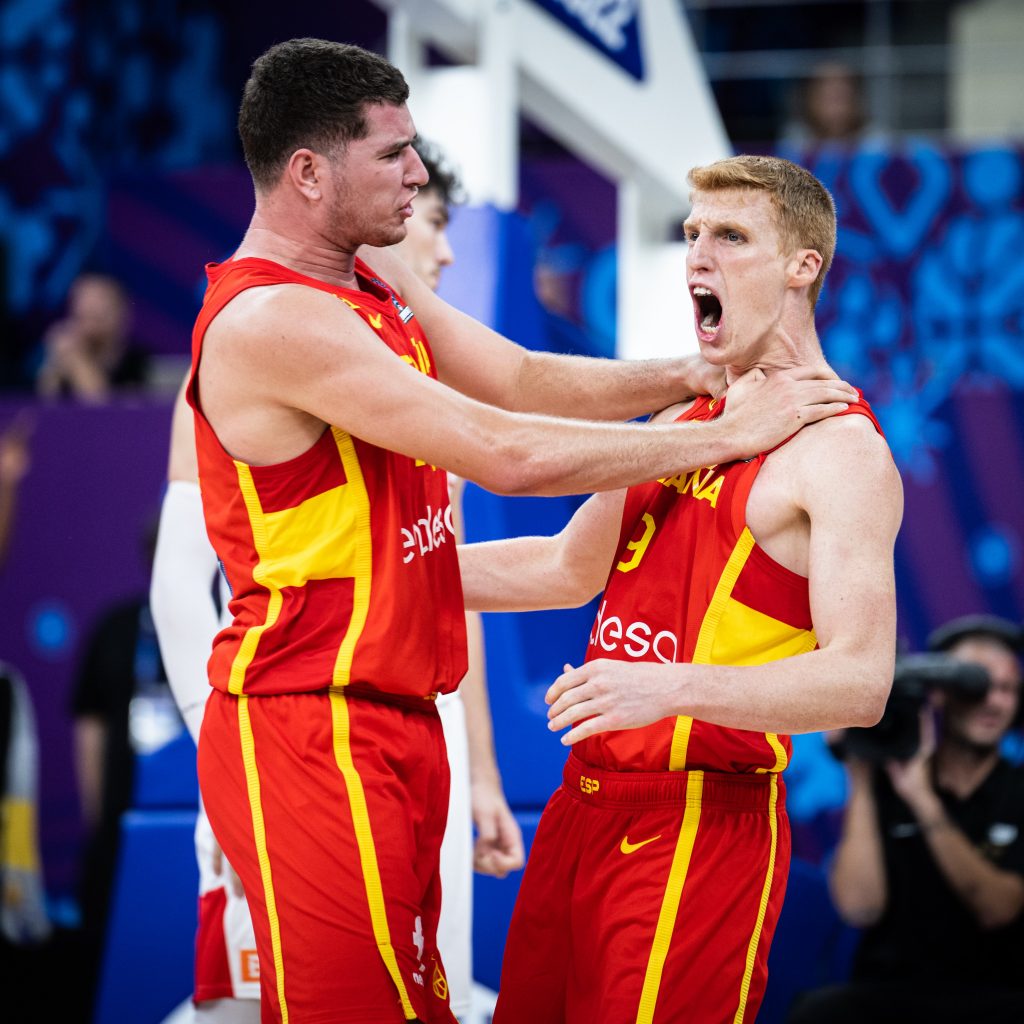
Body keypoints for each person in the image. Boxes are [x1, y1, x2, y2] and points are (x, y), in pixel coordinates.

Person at [186, 39, 856, 1024]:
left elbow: (515, 378)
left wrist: (689, 380)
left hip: (401, 717)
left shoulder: (367, 283)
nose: (417, 172)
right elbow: (509, 452)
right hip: (308, 718)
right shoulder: (270, 320)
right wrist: (725, 433)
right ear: (307, 173)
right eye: (393, 154)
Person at [457, 154, 903, 1024]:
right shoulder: (681, 424)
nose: (699, 255)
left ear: (802, 265)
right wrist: (381, 574)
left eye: (731, 236)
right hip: (582, 807)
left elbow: (861, 683)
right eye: (692, 234)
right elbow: (563, 566)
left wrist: (666, 688)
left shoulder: (841, 450)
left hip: (703, 820)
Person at [149, 135, 522, 1023]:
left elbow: (440, 583)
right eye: (430, 219)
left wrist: (480, 771)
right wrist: (222, 759)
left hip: (410, 721)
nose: (443, 247)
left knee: (430, 992)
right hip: (294, 724)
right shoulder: (251, 338)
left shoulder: (416, 356)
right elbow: (176, 587)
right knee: (270, 1002)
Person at [788, 614, 1024, 1024]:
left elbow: (998, 908)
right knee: (819, 1013)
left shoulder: (1017, 791)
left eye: (1007, 689)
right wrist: (861, 775)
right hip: (888, 992)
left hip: (996, 992)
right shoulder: (885, 784)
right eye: (977, 685)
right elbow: (860, 909)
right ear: (940, 695)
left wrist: (923, 801)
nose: (993, 701)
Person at [34, 273, 151, 402]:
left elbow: (102, 410)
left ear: (121, 313)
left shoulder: (137, 363)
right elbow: (45, 409)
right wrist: (53, 366)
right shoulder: (63, 355)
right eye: (83, 314)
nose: (89, 306)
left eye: (96, 315)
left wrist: (77, 360)